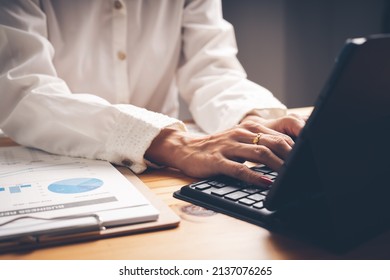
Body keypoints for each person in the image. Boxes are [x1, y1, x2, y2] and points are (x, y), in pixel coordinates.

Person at [0, 0, 306, 187]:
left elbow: (211, 69)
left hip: (162, 175)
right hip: (44, 164)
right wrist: (171, 142)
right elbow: (23, 89)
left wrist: (253, 121)